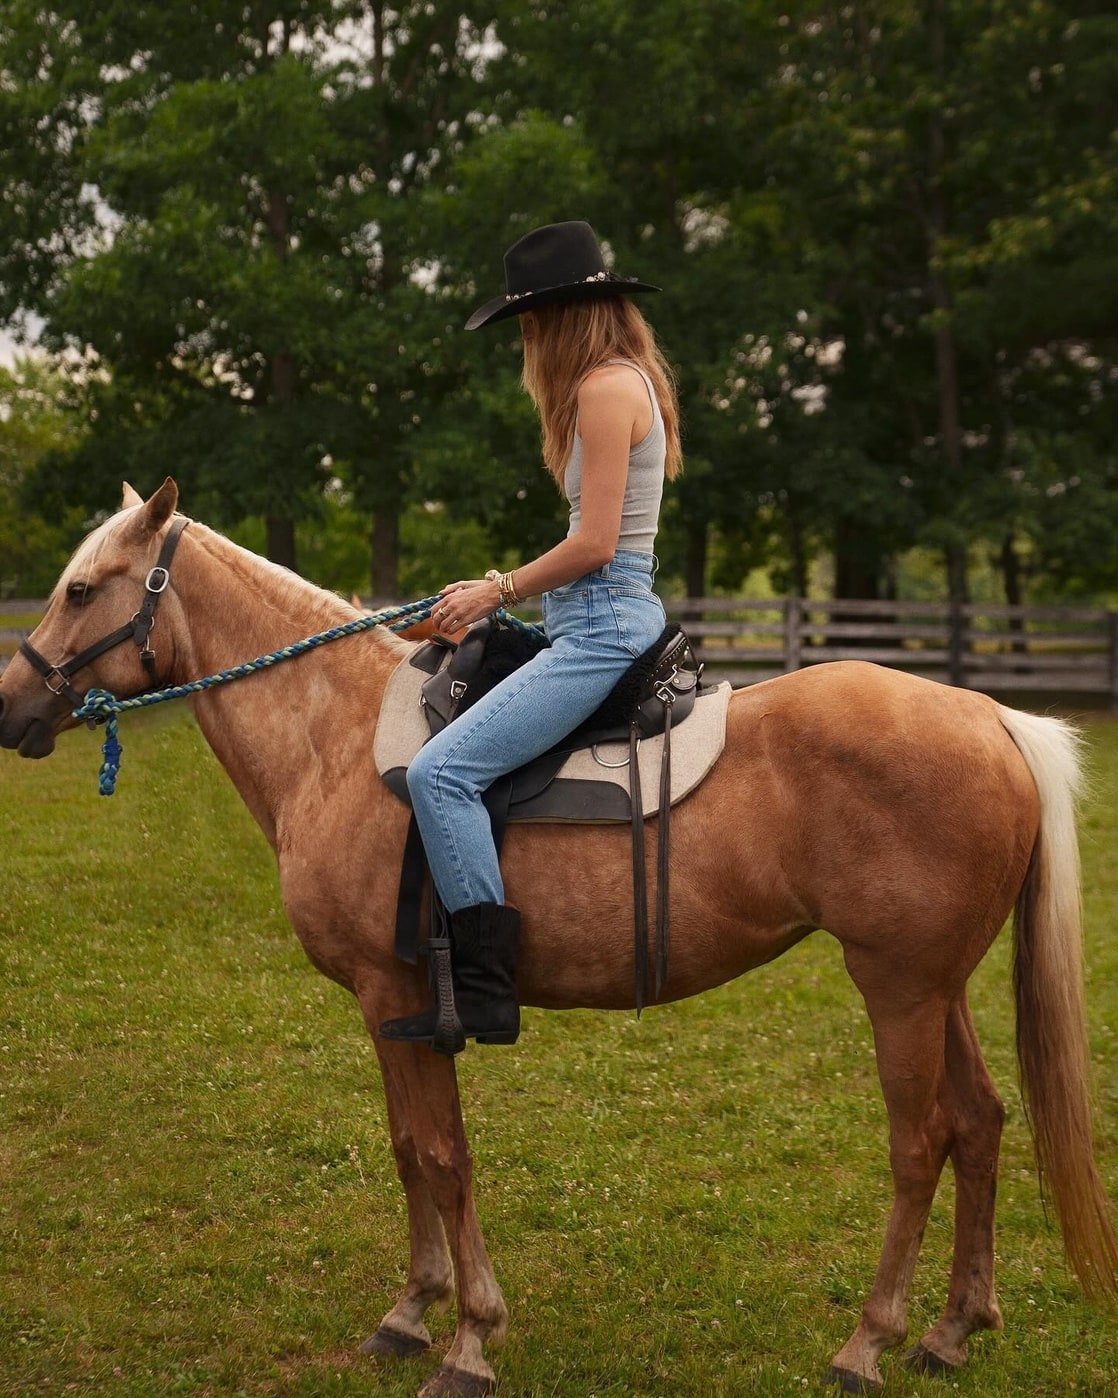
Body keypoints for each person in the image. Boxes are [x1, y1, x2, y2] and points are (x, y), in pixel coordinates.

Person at [379, 219, 682, 1053]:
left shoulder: (604, 389)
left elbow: (595, 547)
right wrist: (485, 604)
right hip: (585, 624)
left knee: (441, 774)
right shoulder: (627, 381)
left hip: (600, 635)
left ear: (560, 316)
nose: (527, 342)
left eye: (529, 323)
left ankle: (484, 991)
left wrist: (496, 588)